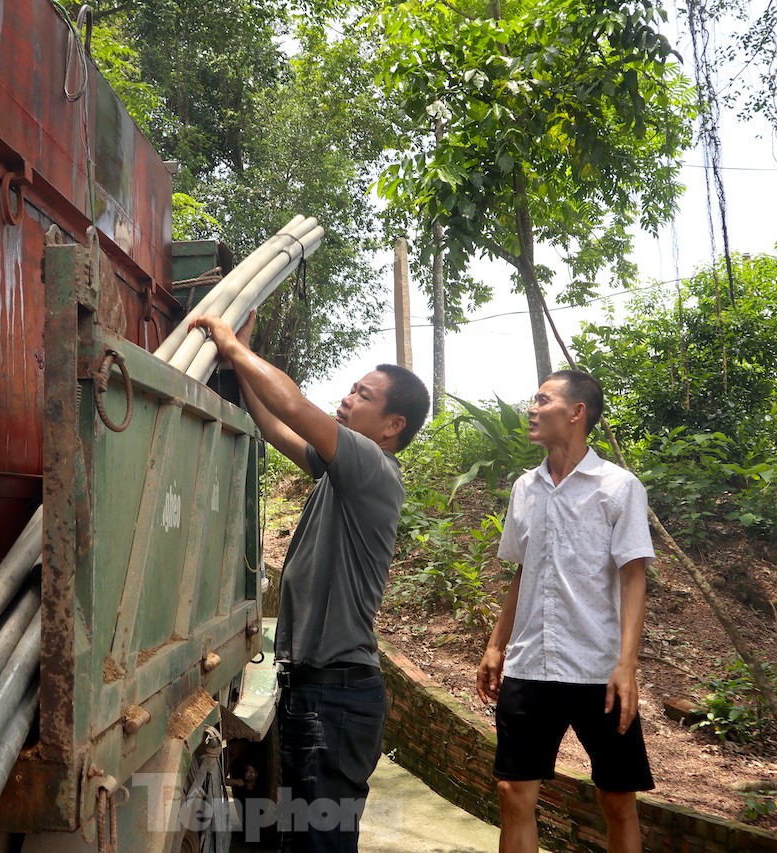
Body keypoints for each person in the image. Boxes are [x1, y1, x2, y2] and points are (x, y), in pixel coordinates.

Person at [189, 311, 429, 853]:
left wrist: (231, 344)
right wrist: (241, 363)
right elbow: (276, 427)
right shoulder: (338, 474)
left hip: (338, 698)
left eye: (363, 395)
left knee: (321, 845)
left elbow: (295, 406)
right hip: (317, 691)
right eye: (351, 390)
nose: (348, 399)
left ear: (392, 425)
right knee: (303, 842)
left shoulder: (371, 467)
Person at [475, 369, 655, 853]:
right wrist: (496, 645)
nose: (531, 409)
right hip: (531, 664)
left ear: (577, 413)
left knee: (617, 799)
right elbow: (522, 573)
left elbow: (633, 576)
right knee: (513, 791)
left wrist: (626, 665)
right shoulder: (525, 488)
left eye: (542, 400)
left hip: (598, 668)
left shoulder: (617, 487)